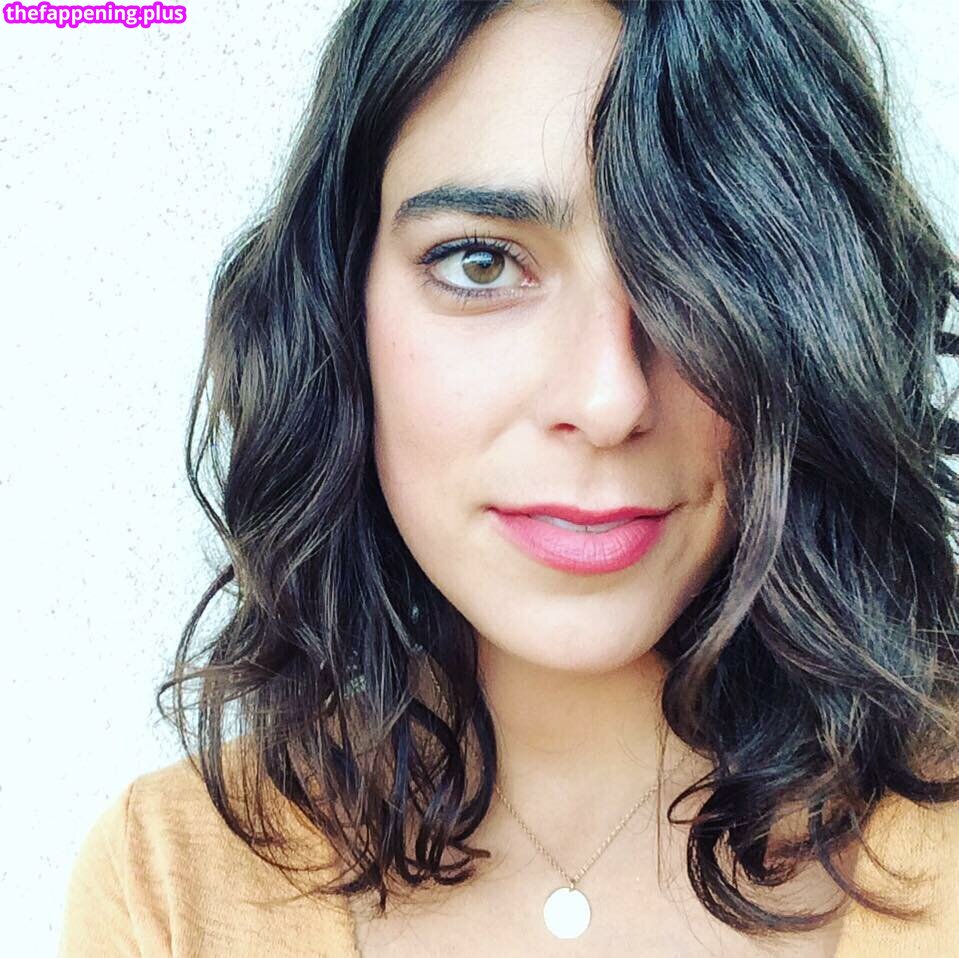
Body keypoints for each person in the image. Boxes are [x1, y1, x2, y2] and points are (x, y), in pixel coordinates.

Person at [59, 0, 959, 955]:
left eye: (702, 264)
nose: (608, 399)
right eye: (481, 263)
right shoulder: (170, 880)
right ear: (338, 308)